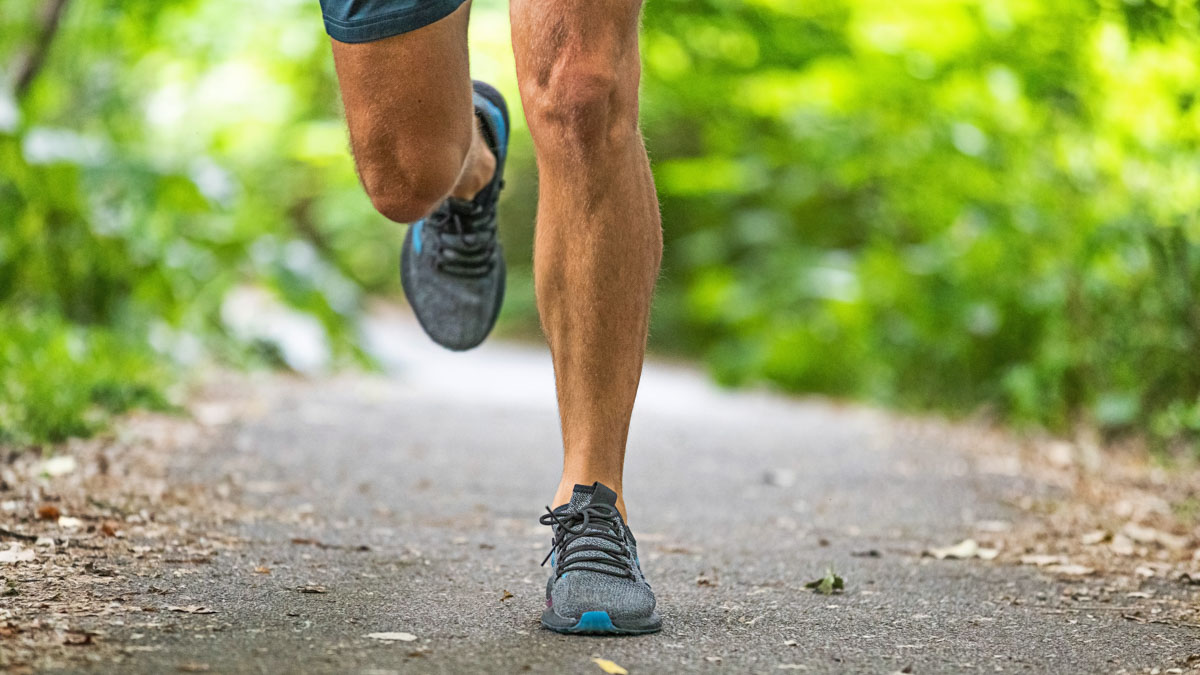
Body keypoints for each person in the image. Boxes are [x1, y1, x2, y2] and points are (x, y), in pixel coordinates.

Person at [318, 0, 664, 634]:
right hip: (425, 171)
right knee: (405, 173)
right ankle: (469, 165)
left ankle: (592, 504)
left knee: (582, 89)